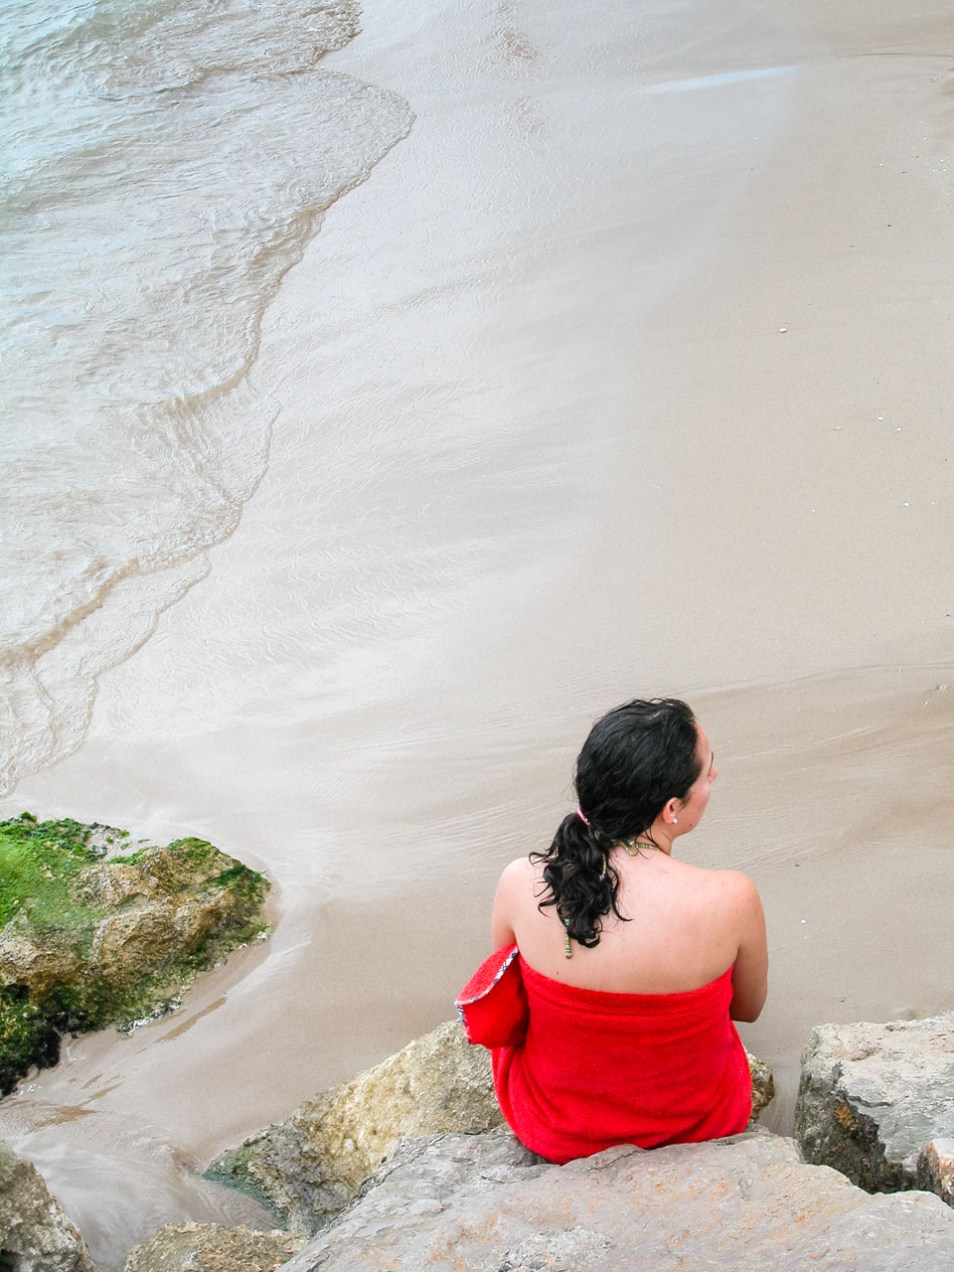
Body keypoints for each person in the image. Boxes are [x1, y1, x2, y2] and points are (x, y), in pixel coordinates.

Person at [456, 697, 768, 1164]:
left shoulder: (521, 883)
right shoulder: (730, 898)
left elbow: (513, 996)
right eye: (707, 771)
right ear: (671, 809)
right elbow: (746, 1009)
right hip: (698, 1125)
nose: (715, 776)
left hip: (555, 1128)